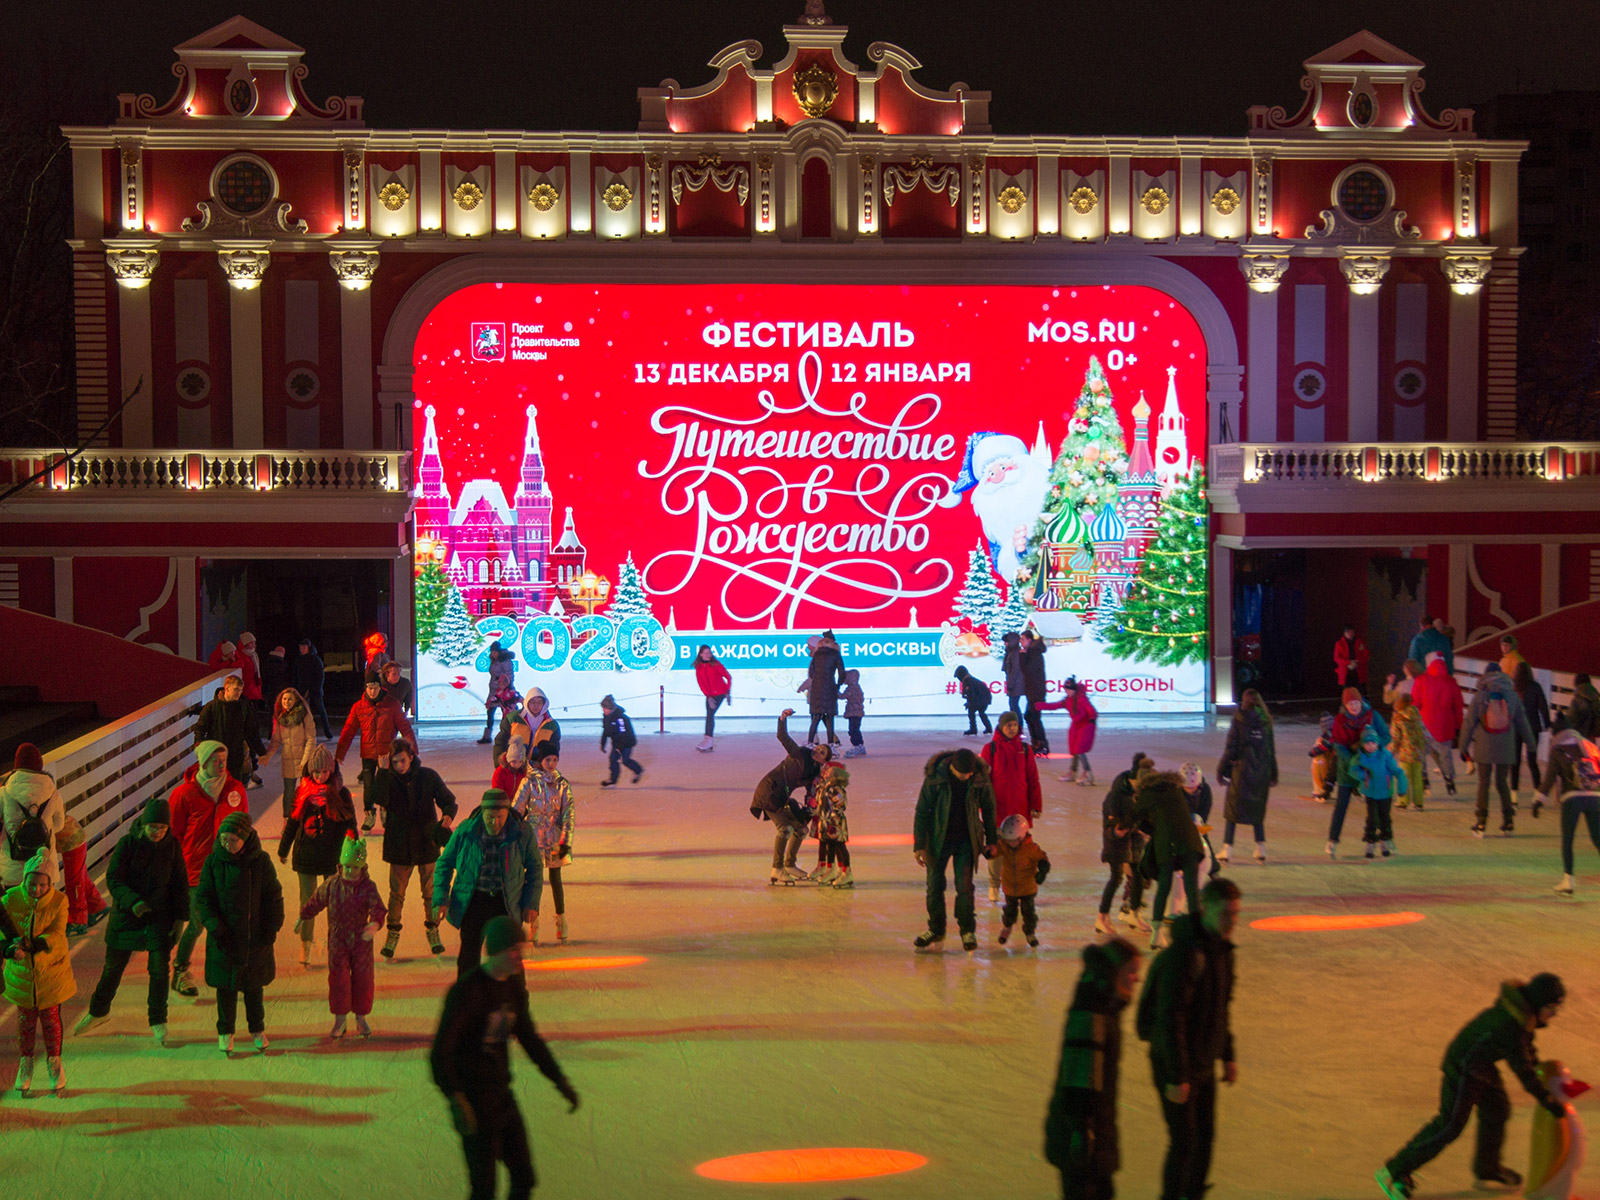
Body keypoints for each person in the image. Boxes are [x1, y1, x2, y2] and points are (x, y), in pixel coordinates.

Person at [1376, 974, 1568, 1199]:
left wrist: (1541, 1069)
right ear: (1538, 1004)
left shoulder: (1522, 1016)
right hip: (1464, 1066)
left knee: (1497, 1110)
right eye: (1552, 1007)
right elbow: (1522, 1068)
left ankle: (1487, 1170)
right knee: (1450, 1125)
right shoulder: (1512, 1025)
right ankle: (1395, 1171)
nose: (1554, 1014)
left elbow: (1527, 1050)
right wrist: (1546, 1098)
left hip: (1481, 1064)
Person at [430, 914, 580, 1200]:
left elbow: (530, 1039)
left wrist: (559, 1080)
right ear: (497, 950)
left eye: (521, 951)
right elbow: (440, 1054)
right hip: (475, 1103)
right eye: (514, 951)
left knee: (524, 1177)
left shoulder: (513, 989)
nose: (519, 959)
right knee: (484, 1189)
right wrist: (456, 1098)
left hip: (501, 1095)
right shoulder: (467, 992)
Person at [1137, 876, 1241, 1200]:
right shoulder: (1184, 956)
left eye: (1236, 914)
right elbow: (1170, 1018)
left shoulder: (1223, 951)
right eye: (1226, 914)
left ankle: (1193, 1194)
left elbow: (1221, 1006)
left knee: (1205, 1137)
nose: (1231, 922)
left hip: (1204, 1060)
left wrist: (1228, 1054)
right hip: (1174, 1061)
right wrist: (1177, 1075)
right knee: (1184, 1142)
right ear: (1205, 909)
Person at [76, 796, 188, 1046]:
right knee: (113, 968)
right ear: (144, 824)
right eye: (153, 827)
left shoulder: (172, 847)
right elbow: (114, 879)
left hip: (159, 917)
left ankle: (158, 1019)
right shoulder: (128, 844)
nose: (158, 832)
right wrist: (133, 902)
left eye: (162, 827)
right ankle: (98, 1011)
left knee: (159, 971)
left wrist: (180, 918)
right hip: (127, 917)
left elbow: (180, 884)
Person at [1045, 937, 1142, 1200]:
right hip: (1084, 1136)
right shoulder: (1092, 1012)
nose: (1136, 979)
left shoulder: (1102, 1005)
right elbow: (1079, 1075)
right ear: (1113, 972)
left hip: (1091, 1131)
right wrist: (1082, 1133)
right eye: (1131, 972)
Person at [194, 810, 283, 1055]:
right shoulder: (213, 862)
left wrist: (271, 927)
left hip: (254, 939)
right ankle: (226, 1031)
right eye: (224, 839)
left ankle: (257, 1028)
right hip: (224, 939)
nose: (227, 844)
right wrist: (214, 925)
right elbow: (204, 898)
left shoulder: (261, 861)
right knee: (226, 989)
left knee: (254, 989)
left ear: (244, 838)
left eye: (232, 840)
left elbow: (272, 896)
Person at [167, 740, 249, 997]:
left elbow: (244, 828)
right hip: (194, 869)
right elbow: (174, 835)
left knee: (228, 921)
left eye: (224, 758)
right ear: (203, 762)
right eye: (215, 759)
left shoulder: (235, 790)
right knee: (197, 922)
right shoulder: (184, 795)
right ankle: (180, 969)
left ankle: (225, 967)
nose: (221, 763)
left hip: (225, 869)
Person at [433, 789, 541, 978]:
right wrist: (440, 899)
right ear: (482, 813)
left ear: (507, 813)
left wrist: (531, 903)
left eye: (500, 816)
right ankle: (466, 999)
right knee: (468, 956)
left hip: (506, 902)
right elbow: (444, 863)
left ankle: (513, 999)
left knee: (510, 954)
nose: (495, 822)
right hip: (474, 901)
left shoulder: (521, 833)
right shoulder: (466, 830)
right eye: (490, 817)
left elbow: (535, 869)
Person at [371, 739, 456, 959]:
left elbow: (447, 799)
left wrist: (448, 813)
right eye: (395, 761)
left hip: (426, 842)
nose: (399, 765)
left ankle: (433, 929)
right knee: (396, 894)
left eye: (402, 760)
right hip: (399, 845)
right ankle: (392, 933)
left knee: (430, 892)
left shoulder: (427, 776)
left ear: (411, 757)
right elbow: (377, 799)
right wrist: (381, 772)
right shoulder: (388, 778)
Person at [300, 831, 386, 1039]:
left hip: (361, 940)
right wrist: (303, 915)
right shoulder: (332, 883)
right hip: (337, 939)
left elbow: (378, 908)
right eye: (347, 866)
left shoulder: (368, 887)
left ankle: (361, 1017)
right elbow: (316, 900)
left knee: (363, 979)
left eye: (354, 867)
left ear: (362, 867)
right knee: (338, 979)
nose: (350, 871)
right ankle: (340, 1019)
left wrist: (374, 924)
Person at [911, 747, 998, 953]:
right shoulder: (936, 777)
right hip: (937, 839)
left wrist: (992, 840)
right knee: (934, 887)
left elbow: (989, 808)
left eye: (970, 773)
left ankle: (967, 930)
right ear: (952, 768)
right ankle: (935, 929)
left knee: (965, 887)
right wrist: (920, 845)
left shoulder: (979, 778)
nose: (967, 777)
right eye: (963, 774)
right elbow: (922, 811)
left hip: (966, 841)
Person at [279, 745, 358, 966]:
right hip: (306, 856)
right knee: (308, 902)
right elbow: (294, 822)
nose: (320, 776)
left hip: (332, 858)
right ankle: (306, 943)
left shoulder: (340, 793)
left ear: (331, 771)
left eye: (324, 772)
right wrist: (284, 848)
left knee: (335, 904)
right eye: (316, 772)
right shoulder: (302, 792)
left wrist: (355, 854)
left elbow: (350, 824)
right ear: (310, 772)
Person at [5, 849, 73, 1095]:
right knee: (25, 1021)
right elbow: (2, 931)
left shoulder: (59, 901)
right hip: (21, 974)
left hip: (50, 975)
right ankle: (26, 1063)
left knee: (51, 1021)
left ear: (51, 883)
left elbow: (57, 934)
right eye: (31, 884)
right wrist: (10, 948)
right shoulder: (11, 899)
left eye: (42, 885)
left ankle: (55, 1063)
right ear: (24, 881)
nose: (36, 890)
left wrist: (34, 944)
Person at [750, 709, 829, 885]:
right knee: (784, 829)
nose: (818, 749)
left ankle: (790, 865)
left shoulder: (814, 774)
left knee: (801, 830)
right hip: (769, 792)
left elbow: (811, 796)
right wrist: (782, 718)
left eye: (822, 751)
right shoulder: (800, 753)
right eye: (818, 747)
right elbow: (782, 736)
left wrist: (813, 811)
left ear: (824, 761)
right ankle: (777, 869)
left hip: (782, 798)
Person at [336, 668, 417, 832]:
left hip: (387, 754)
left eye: (375, 687)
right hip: (368, 754)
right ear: (365, 689)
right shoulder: (359, 707)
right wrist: (339, 754)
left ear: (380, 687)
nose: (372, 691)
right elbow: (348, 731)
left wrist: (412, 751)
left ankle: (386, 810)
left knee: (387, 784)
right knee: (369, 785)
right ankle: (369, 813)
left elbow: (405, 727)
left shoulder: (392, 705)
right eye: (369, 688)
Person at [1460, 663, 1536, 837]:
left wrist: (1463, 747)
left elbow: (1470, 722)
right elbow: (1522, 721)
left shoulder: (1481, 696)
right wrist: (1531, 744)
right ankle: (1508, 821)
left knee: (1484, 783)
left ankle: (1481, 822)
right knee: (1502, 783)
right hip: (1506, 745)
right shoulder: (1512, 695)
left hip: (1484, 745)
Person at [1134, 770, 1205, 950]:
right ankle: (1198, 935)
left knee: (1164, 887)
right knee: (1192, 890)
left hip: (1167, 845)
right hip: (1189, 842)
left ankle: (1156, 935)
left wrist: (1155, 831)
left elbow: (1136, 819)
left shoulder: (1147, 795)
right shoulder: (1175, 790)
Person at [980, 712, 1041, 903]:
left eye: (1015, 725)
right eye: (1009, 725)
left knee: (1019, 851)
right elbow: (983, 781)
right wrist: (983, 806)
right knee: (997, 850)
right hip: (998, 809)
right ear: (1001, 727)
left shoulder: (1025, 748)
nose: (1012, 728)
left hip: (1019, 810)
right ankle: (993, 884)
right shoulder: (990, 749)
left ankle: (1016, 887)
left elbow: (1032, 778)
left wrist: (1036, 805)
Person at [516, 751, 574, 945]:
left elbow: (568, 815)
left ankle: (561, 920)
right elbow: (517, 810)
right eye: (548, 760)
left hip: (555, 837)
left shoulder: (562, 784)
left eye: (555, 759)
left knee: (556, 879)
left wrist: (565, 841)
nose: (552, 763)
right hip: (533, 838)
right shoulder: (528, 783)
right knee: (535, 880)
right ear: (540, 761)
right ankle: (534, 922)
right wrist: (514, 835)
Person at [1215, 688, 1277, 864]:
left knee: (1233, 810)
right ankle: (1260, 848)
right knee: (1256, 810)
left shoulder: (1240, 719)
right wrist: (1273, 773)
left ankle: (1227, 849)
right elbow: (1271, 750)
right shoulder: (1267, 721)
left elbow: (1231, 747)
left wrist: (1221, 769)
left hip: (1242, 771)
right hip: (1262, 772)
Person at [1326, 687, 1389, 858]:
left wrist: (1374, 745)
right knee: (1341, 806)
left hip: (1370, 770)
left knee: (1376, 808)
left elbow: (1386, 735)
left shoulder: (1372, 716)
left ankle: (1379, 840)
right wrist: (1354, 761)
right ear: (1345, 705)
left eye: (1356, 703)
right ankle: (1332, 840)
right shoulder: (1340, 720)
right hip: (1348, 770)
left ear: (1361, 702)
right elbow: (1338, 746)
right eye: (1350, 704)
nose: (1354, 707)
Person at [1096, 753, 1154, 936]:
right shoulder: (1116, 795)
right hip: (1116, 841)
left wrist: (1147, 830)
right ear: (1133, 780)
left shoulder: (1141, 792)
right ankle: (1102, 918)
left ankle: (1134, 914)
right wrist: (1115, 832)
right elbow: (1108, 823)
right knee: (1116, 877)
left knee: (1138, 875)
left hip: (1135, 839)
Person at [2, 743, 66, 891]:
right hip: (43, 868)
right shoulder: (52, 793)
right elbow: (59, 825)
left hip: (14, 869)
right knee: (44, 911)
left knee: (15, 911)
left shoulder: (4, 793)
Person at [1543, 730, 1600, 896]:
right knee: (1598, 839)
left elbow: (1550, 777)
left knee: (1568, 839)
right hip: (1594, 796)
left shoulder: (1558, 749)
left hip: (1572, 798)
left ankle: (1568, 881)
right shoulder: (1589, 746)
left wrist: (1539, 798)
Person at [194, 673, 265, 786]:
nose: (239, 693)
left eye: (241, 690)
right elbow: (200, 728)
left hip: (235, 755)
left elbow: (251, 731)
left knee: (234, 788)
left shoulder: (243, 707)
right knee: (217, 787)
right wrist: (200, 749)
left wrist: (262, 752)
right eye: (236, 689)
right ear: (227, 688)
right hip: (216, 754)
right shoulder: (212, 707)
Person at [994, 813, 1048, 948]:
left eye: (1014, 840)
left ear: (1022, 836)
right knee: (1009, 911)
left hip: (1027, 888)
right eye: (1008, 840)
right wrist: (989, 852)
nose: (1011, 843)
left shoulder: (1031, 848)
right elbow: (995, 851)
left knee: (1028, 912)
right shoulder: (1004, 845)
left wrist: (1042, 871)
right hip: (1010, 887)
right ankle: (1007, 927)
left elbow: (1043, 859)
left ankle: (1030, 932)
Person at [1412, 656, 1464, 797]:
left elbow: (1415, 704)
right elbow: (1458, 706)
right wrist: (1458, 726)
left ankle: (1424, 781)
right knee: (1446, 755)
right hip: (1445, 726)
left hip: (1425, 724)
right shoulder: (1452, 682)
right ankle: (1449, 782)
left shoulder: (1421, 680)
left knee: (1421, 754)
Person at [264, 686, 318, 819]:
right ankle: (287, 819)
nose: (286, 702)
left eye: (289, 699)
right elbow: (276, 740)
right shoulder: (279, 717)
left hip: (303, 759)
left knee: (306, 791)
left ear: (296, 700)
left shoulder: (304, 714)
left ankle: (308, 818)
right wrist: (267, 756)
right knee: (288, 792)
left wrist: (306, 760)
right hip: (288, 759)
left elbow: (311, 738)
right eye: (284, 699)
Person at [1354, 726, 1407, 858]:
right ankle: (1371, 842)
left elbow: (1398, 772)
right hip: (1371, 793)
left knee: (1385, 818)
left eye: (1373, 743)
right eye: (1367, 743)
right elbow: (1353, 769)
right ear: (1363, 744)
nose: (1371, 746)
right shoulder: (1361, 757)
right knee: (1372, 819)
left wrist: (1402, 788)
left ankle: (1385, 840)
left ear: (1377, 743)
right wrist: (1364, 776)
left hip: (1385, 793)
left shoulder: (1385, 755)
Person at [57, 811, 109, 936]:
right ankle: (97, 906)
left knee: (74, 881)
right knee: (80, 877)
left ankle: (77, 920)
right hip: (74, 837)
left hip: (72, 841)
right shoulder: (45, 796)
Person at [494, 688, 561, 771]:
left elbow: (553, 749)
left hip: (537, 769)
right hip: (514, 766)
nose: (536, 705)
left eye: (539, 702)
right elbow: (500, 743)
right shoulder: (513, 719)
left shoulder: (552, 725)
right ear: (527, 702)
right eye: (532, 702)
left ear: (544, 704)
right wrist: (500, 764)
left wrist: (548, 767)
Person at [1511, 660, 1550, 798]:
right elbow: (1543, 707)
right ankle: (1536, 793)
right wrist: (1547, 723)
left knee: (1515, 761)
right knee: (1532, 761)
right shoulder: (1535, 687)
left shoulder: (1513, 687)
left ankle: (1514, 796)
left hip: (1516, 728)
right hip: (1532, 727)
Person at [812, 760, 852, 888]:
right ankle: (830, 870)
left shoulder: (836, 789)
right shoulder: (825, 786)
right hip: (826, 821)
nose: (824, 772)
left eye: (828, 770)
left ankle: (846, 873)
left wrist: (833, 822)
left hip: (835, 823)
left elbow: (839, 806)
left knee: (840, 846)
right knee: (830, 846)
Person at [804, 630, 847, 746]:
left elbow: (811, 672)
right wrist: (838, 685)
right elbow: (842, 673)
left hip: (817, 689)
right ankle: (831, 744)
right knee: (829, 718)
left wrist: (817, 681)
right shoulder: (835, 654)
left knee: (816, 717)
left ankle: (810, 743)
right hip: (830, 688)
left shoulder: (817, 654)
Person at [1179, 762, 1221, 879]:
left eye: (1192, 787)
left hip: (1197, 822)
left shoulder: (1205, 790)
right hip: (1181, 824)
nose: (1189, 790)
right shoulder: (1176, 790)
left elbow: (1206, 808)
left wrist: (1200, 822)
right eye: (1186, 787)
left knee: (1205, 844)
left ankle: (1213, 871)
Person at [1389, 693, 1428, 811]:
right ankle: (1418, 803)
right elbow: (1422, 732)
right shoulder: (1416, 714)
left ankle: (1403, 801)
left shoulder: (1398, 718)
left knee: (1404, 778)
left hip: (1405, 753)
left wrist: (1391, 751)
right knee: (1417, 779)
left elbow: (1396, 737)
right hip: (1418, 752)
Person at [598, 695, 642, 787]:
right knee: (613, 759)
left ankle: (638, 770)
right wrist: (603, 744)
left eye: (604, 708)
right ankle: (613, 780)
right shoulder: (606, 717)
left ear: (610, 708)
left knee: (625, 760)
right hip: (617, 743)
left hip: (627, 743)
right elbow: (606, 731)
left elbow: (624, 734)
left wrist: (619, 747)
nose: (603, 710)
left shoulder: (621, 718)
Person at [695, 645, 733, 752]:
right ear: (701, 654)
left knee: (710, 714)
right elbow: (701, 682)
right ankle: (707, 739)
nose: (708, 655)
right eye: (706, 653)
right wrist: (708, 696)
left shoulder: (716, 664)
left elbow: (728, 677)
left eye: (710, 653)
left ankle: (709, 740)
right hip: (710, 695)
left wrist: (727, 692)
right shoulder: (699, 667)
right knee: (709, 715)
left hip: (720, 693)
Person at [1018, 630, 1051, 755]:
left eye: (1023, 639)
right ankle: (1037, 742)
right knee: (1029, 716)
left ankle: (1041, 743)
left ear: (1029, 640)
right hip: (1032, 692)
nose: (1021, 642)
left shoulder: (1035, 654)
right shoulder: (1032, 653)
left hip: (1036, 692)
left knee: (1035, 718)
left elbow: (1027, 670)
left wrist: (1022, 655)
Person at [294, 638, 333, 739]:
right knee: (303, 711)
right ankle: (304, 733)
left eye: (304, 648)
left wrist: (314, 688)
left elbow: (320, 676)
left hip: (315, 689)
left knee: (321, 709)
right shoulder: (299, 660)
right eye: (300, 648)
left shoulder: (315, 660)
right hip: (303, 689)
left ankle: (327, 731)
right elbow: (297, 675)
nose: (302, 650)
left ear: (308, 648)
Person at [480, 640, 517, 745]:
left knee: (506, 713)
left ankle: (508, 735)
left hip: (503, 690)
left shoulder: (505, 661)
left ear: (499, 652)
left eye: (495, 652)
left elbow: (509, 675)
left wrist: (506, 687)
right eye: (492, 652)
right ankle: (487, 736)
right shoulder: (494, 661)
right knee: (490, 711)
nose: (493, 654)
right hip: (493, 690)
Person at [952, 665, 993, 736]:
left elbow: (972, 695)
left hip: (981, 699)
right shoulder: (970, 680)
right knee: (981, 713)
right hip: (984, 698)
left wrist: (969, 703)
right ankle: (988, 728)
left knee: (972, 712)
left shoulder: (968, 681)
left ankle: (974, 729)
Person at [1308, 714, 1337, 802]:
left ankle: (1320, 790)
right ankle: (1325, 790)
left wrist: (1313, 752)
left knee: (1318, 763)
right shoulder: (1335, 731)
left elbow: (1323, 746)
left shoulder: (1328, 734)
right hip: (1335, 756)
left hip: (1336, 758)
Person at [491, 738, 529, 802]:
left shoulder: (523, 771)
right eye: (514, 761)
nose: (517, 765)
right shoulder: (500, 772)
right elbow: (497, 789)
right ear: (508, 760)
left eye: (520, 762)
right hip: (502, 801)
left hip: (518, 802)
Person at [1334, 623, 1369, 692]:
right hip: (1346, 673)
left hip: (1358, 673)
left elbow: (1366, 656)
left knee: (1362, 693)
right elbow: (1337, 658)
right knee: (1348, 695)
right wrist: (1349, 662)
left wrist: (1357, 661)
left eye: (1352, 631)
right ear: (1344, 633)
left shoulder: (1359, 642)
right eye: (1348, 632)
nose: (1350, 633)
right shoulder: (1339, 643)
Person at [1565, 673, 1600, 740]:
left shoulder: (1578, 698)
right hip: (1592, 735)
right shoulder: (1596, 698)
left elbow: (1572, 718)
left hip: (1579, 736)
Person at [841, 668, 866, 758]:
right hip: (857, 712)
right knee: (856, 729)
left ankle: (856, 746)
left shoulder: (851, 688)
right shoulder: (857, 687)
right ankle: (860, 746)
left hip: (853, 712)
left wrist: (835, 691)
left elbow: (843, 696)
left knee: (853, 730)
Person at [1001, 630, 1025, 721]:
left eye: (1006, 642)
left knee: (1014, 705)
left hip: (1015, 683)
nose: (1005, 644)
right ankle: (1016, 725)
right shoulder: (1011, 653)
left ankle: (1019, 725)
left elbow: (1015, 670)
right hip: (1015, 683)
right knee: (1013, 705)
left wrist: (1010, 684)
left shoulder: (1014, 653)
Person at [261, 645, 291, 709]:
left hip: (269, 690)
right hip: (280, 690)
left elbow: (264, 679)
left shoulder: (267, 664)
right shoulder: (284, 665)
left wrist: (263, 691)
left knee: (271, 709)